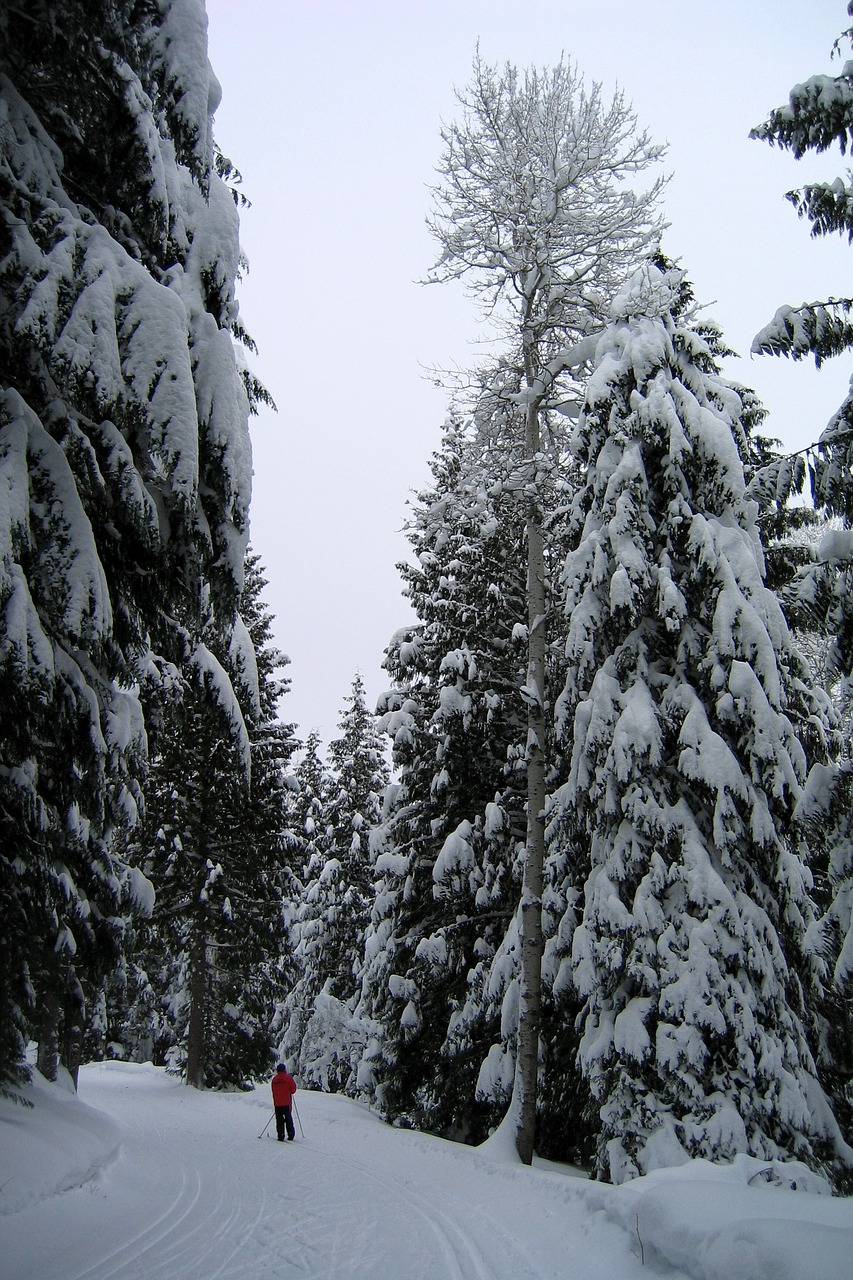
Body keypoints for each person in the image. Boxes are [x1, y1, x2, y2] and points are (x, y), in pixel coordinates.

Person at [271, 1062, 297, 1141]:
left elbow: (273, 1090)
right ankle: (290, 1134)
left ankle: (281, 1135)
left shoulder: (274, 1079)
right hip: (286, 1103)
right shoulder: (288, 1078)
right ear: (284, 1069)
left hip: (277, 1103)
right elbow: (293, 1090)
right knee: (288, 1118)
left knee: (279, 1120)